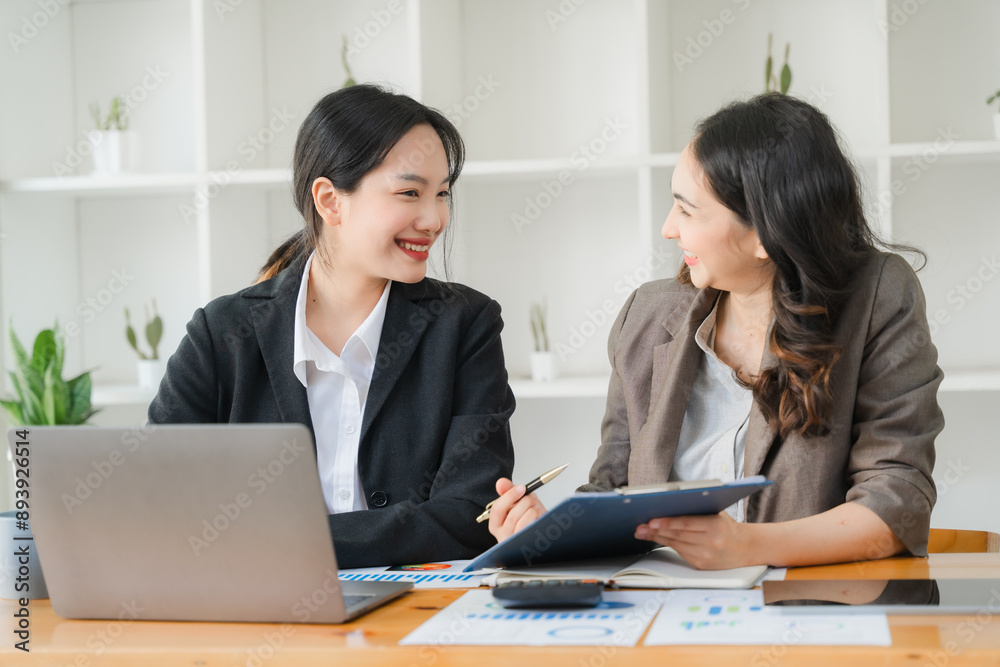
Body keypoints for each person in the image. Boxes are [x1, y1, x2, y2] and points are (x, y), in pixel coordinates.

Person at [488, 93, 943, 569]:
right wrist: (549, 532)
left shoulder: (878, 296)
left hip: (807, 612)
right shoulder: (646, 315)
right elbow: (613, 492)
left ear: (765, 233)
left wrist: (747, 546)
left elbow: (897, 500)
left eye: (686, 211)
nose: (668, 228)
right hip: (661, 614)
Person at [149, 84, 515, 568]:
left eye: (442, 194)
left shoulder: (466, 326)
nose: (434, 219)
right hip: (254, 616)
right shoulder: (222, 334)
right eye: (410, 192)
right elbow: (159, 504)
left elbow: (469, 515)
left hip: (410, 616)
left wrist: (271, 541)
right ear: (330, 200)